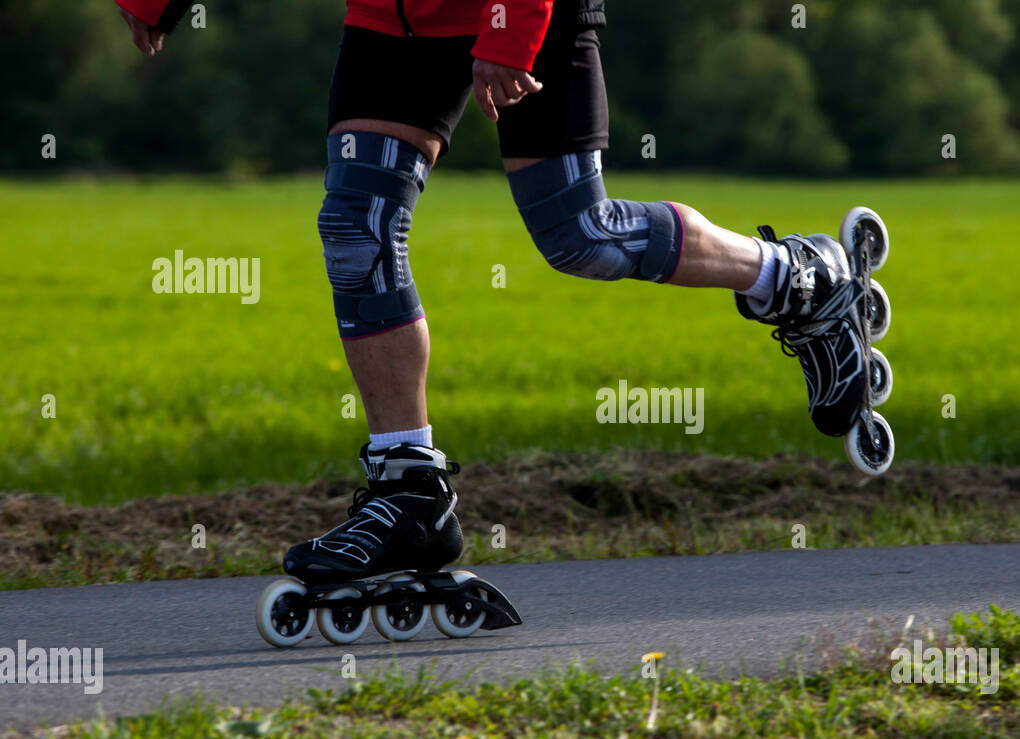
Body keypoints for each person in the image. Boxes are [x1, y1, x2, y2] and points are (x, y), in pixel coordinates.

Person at [115, 0, 871, 586]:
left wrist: (509, 31)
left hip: (518, 11)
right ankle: (409, 489)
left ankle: (799, 276)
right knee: (356, 226)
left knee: (582, 234)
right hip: (394, 19)